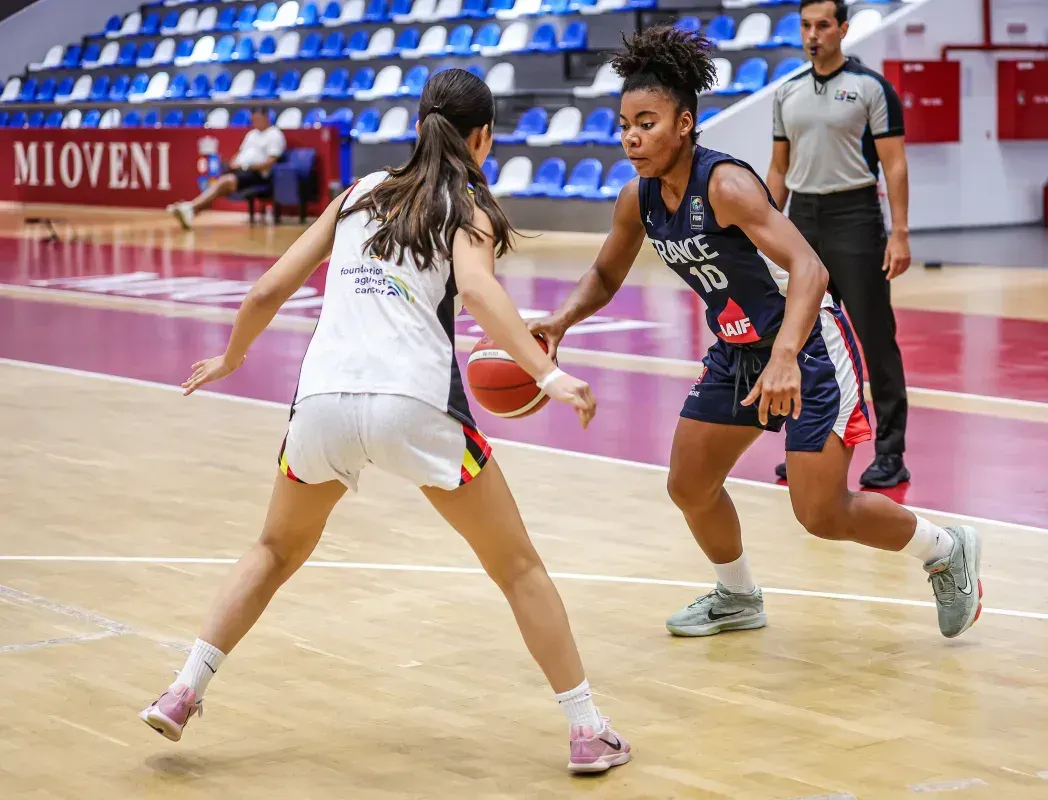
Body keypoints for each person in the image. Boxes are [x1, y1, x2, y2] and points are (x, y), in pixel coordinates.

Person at [139, 69, 632, 775]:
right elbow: (479, 290)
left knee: (273, 551)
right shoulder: (467, 205)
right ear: (483, 138)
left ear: (419, 123)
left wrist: (230, 357)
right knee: (519, 568)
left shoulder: (357, 193)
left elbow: (267, 288)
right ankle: (587, 731)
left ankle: (184, 689)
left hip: (322, 405)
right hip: (414, 406)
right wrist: (548, 373)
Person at [530, 27, 981, 641]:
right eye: (624, 124)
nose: (632, 138)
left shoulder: (726, 186)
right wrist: (559, 321)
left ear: (684, 123)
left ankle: (945, 549)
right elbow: (607, 272)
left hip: (810, 346)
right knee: (689, 483)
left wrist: (788, 356)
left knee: (820, 513)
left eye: (648, 122)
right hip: (739, 351)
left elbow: (810, 269)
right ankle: (738, 597)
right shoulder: (637, 198)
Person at [769, 0, 913, 488]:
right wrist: (764, 227)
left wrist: (900, 232)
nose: (813, 35)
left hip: (855, 217)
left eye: (823, 25)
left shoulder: (871, 88)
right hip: (803, 218)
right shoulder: (786, 92)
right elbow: (779, 169)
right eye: (806, 26)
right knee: (806, 337)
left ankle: (891, 453)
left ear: (842, 29)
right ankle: (811, 446)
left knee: (874, 337)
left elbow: (894, 164)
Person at [167, 107, 286, 231]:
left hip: (258, 174)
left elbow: (270, 162)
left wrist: (246, 166)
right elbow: (240, 152)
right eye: (253, 120)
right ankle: (191, 210)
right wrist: (233, 163)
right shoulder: (252, 134)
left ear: (266, 118)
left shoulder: (275, 135)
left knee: (224, 182)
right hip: (241, 171)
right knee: (219, 189)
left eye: (257, 119)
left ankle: (190, 208)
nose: (255, 122)